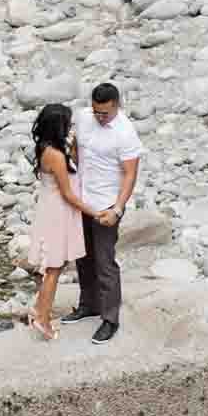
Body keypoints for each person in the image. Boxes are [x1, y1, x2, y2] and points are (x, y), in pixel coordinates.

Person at [64, 82, 143, 342]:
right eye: (97, 111)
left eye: (105, 113)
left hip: (107, 203)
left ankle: (110, 319)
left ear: (117, 106)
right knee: (83, 256)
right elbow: (76, 143)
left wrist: (118, 209)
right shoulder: (84, 117)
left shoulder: (125, 132)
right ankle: (89, 305)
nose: (99, 117)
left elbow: (130, 174)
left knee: (105, 261)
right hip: (82, 199)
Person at [24, 103, 96, 341]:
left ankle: (38, 311)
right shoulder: (54, 154)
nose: (71, 126)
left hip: (51, 208)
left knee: (55, 266)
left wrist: (73, 145)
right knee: (54, 269)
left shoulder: (46, 147)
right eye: (68, 123)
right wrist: (93, 212)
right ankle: (42, 319)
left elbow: (72, 165)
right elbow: (67, 193)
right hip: (58, 212)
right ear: (59, 126)